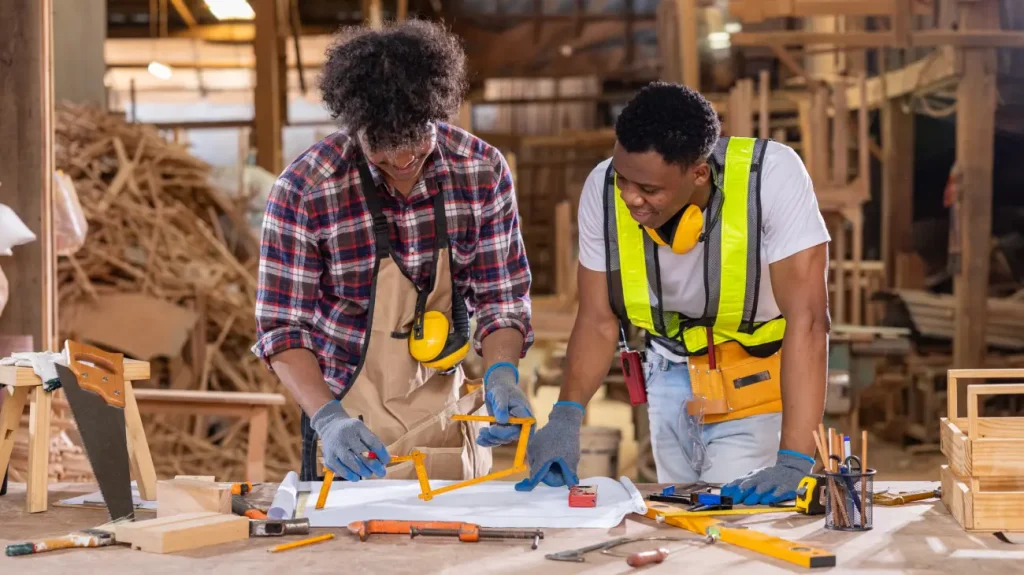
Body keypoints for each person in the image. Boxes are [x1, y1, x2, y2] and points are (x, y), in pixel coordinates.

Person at [515, 82, 831, 505]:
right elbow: (597, 318)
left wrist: (795, 458)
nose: (630, 197)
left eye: (648, 189)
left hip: (750, 375)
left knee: (727, 524)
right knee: (681, 514)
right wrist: (566, 415)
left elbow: (808, 320)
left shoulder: (770, 177)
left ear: (699, 173)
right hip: (665, 373)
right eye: (624, 179)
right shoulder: (602, 189)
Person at [252, 19, 535, 484]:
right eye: (384, 157)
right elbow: (282, 329)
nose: (404, 168)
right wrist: (328, 420)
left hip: (446, 415)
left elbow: (500, 298)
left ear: (436, 115)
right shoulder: (307, 190)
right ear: (355, 127)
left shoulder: (481, 171)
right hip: (348, 421)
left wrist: (501, 373)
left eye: (417, 153)